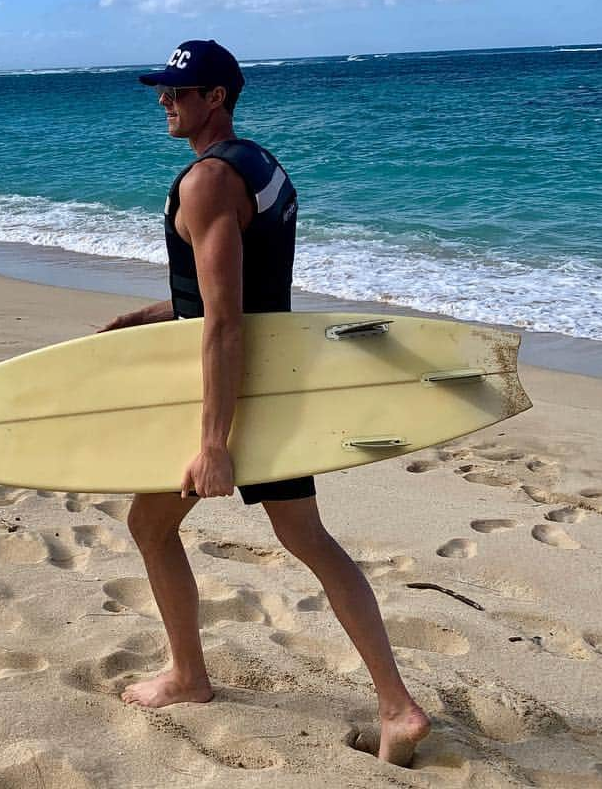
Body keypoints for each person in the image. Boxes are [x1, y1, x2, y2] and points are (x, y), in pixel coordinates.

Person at [99, 39, 430, 766]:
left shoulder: (208, 181)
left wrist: (214, 441)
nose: (165, 101)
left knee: (150, 527)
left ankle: (188, 676)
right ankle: (397, 707)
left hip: (229, 390)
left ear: (215, 97)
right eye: (165, 89)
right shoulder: (261, 165)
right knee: (308, 540)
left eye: (180, 92)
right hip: (274, 383)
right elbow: (240, 290)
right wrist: (146, 318)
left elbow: (224, 320)